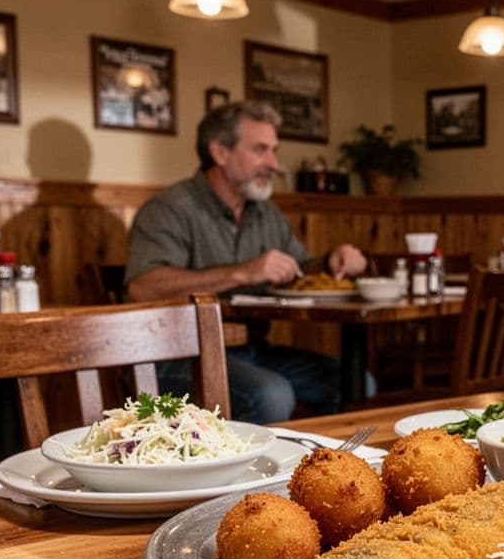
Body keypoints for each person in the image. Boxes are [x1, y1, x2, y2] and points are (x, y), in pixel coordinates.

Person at [125, 100, 366, 423]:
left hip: (253, 349)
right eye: (261, 150)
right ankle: (259, 470)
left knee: (356, 381)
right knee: (272, 394)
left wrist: (328, 262)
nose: (274, 163)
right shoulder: (169, 209)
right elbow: (143, 287)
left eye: (274, 151)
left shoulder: (265, 212)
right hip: (178, 355)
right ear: (220, 153)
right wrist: (243, 272)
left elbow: (298, 267)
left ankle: (317, 468)